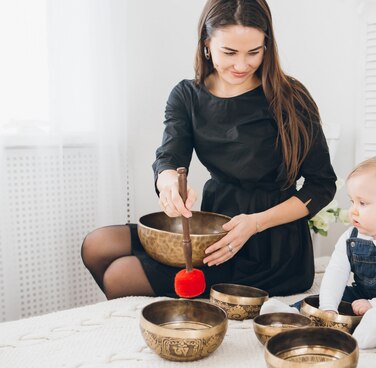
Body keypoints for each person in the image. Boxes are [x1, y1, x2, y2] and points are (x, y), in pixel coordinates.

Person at [81, 0, 337, 300]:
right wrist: (168, 186)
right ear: (206, 43)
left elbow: (322, 186)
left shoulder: (290, 97)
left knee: (121, 275)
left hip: (270, 244)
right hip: (215, 225)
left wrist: (255, 223)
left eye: (254, 52)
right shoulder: (187, 95)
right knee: (97, 245)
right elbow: (169, 157)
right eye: (229, 52)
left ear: (267, 46)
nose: (241, 65)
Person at [262, 152, 376, 349]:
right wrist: (328, 307)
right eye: (352, 201)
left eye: (363, 203)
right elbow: (336, 273)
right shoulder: (350, 237)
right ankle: (294, 314)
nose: (353, 209)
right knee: (329, 297)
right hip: (362, 293)